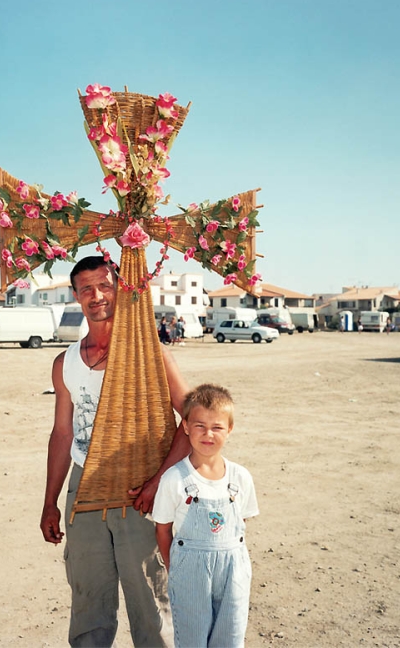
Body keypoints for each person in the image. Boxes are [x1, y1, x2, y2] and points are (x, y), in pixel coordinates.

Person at [40, 255, 190, 647]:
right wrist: (51, 502)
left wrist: (159, 482)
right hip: (83, 490)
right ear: (75, 295)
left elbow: (195, 418)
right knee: (88, 600)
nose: (97, 295)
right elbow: (61, 433)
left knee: (150, 602)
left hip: (140, 490)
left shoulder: (151, 355)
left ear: (121, 291)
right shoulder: (65, 363)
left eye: (105, 285)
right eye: (86, 288)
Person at [152, 384, 259, 648]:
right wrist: (175, 567)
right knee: (192, 641)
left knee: (230, 639)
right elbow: (163, 529)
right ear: (186, 426)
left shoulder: (240, 477)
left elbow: (240, 524)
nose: (208, 434)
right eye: (199, 425)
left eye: (217, 427)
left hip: (233, 571)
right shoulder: (174, 478)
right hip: (190, 573)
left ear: (230, 429)